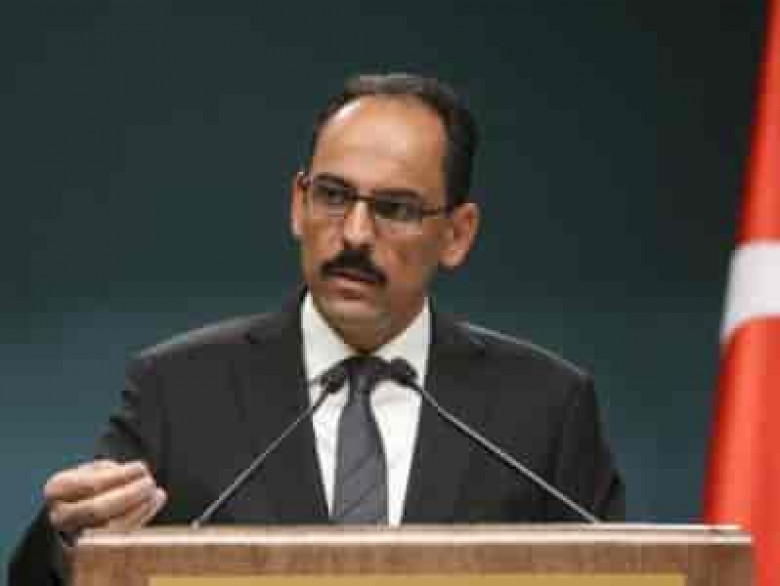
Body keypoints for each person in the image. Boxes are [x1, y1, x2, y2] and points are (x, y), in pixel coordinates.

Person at [9, 73, 624, 585]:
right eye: (333, 196)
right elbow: (58, 568)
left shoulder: (545, 408)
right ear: (298, 204)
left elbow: (624, 573)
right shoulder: (178, 389)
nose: (354, 234)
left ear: (457, 234)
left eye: (395, 208)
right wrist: (69, 543)